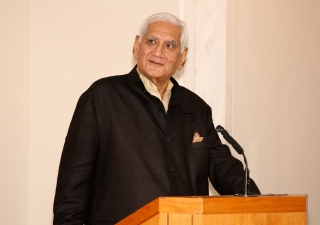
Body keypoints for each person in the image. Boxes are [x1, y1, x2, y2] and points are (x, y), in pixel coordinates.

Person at [53, 12, 260, 225]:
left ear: (182, 57)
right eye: (151, 41)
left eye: (170, 46)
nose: (158, 52)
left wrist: (260, 205)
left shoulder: (197, 108)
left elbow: (226, 172)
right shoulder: (102, 97)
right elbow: (71, 193)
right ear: (136, 46)